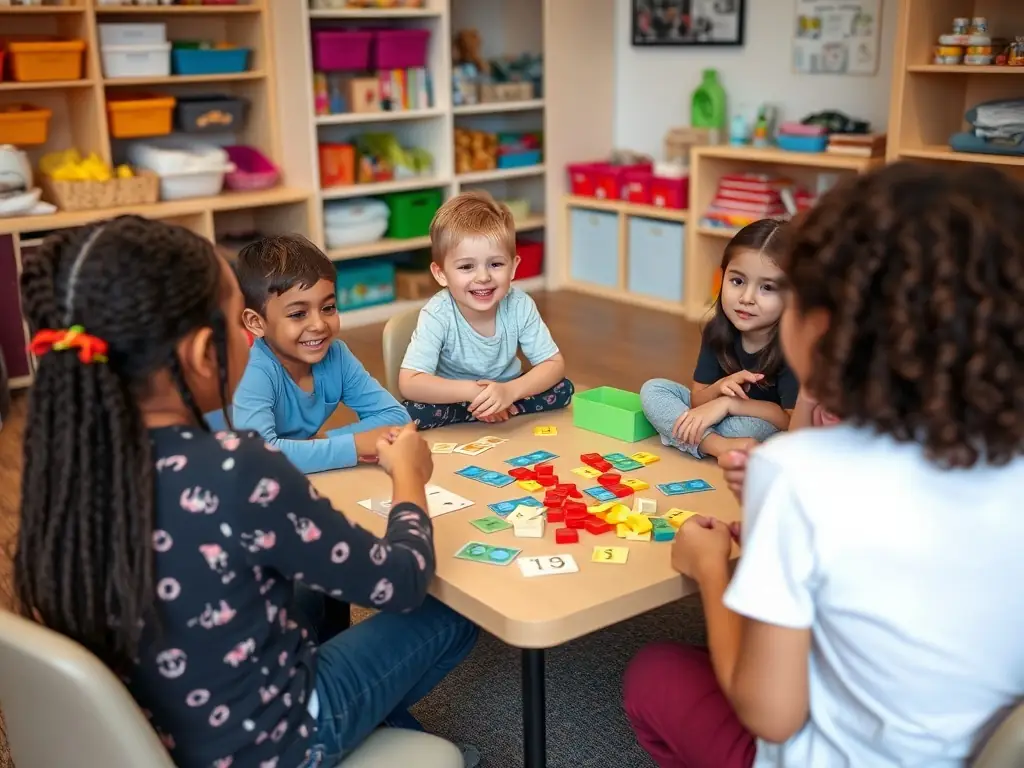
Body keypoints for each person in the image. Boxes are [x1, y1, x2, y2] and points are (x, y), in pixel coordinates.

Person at [14, 216, 479, 768]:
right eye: (240, 320)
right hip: (276, 743)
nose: (250, 335)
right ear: (201, 352)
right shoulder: (239, 470)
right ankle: (368, 730)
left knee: (311, 591)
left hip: (163, 736)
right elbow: (400, 580)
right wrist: (407, 476)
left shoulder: (69, 464)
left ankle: (382, 722)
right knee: (449, 611)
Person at [622, 162, 1024, 767]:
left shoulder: (802, 475)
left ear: (824, 324)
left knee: (652, 672)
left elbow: (770, 717)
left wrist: (711, 572)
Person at [232, 234, 409, 474]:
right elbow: (258, 456)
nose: (319, 324)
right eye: (298, 314)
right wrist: (353, 445)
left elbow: (395, 417)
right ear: (256, 322)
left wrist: (323, 441)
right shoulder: (254, 372)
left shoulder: (336, 355)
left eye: (328, 308)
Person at [399, 191, 573, 429]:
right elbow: (410, 382)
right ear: (441, 274)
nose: (483, 277)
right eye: (467, 266)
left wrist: (509, 392)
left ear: (513, 268)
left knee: (563, 389)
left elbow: (553, 364)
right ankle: (485, 411)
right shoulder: (437, 314)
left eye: (496, 264)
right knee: (409, 412)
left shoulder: (519, 304)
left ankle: (499, 407)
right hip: (456, 399)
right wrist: (473, 393)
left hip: (510, 390)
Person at [640, 219, 798, 460]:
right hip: (715, 418)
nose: (747, 298)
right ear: (722, 278)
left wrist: (729, 405)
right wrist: (718, 390)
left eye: (766, 288)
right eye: (737, 281)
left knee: (747, 429)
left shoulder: (792, 346)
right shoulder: (718, 330)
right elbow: (696, 400)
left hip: (759, 424)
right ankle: (715, 445)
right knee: (653, 390)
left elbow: (791, 421)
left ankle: (696, 437)